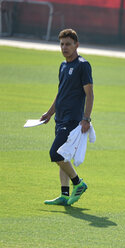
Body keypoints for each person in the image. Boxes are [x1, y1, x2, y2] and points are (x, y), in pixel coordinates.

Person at [40, 28, 94, 206]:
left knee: (55, 153)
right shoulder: (63, 65)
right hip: (60, 118)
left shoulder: (82, 65)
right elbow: (60, 93)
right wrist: (49, 113)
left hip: (72, 119)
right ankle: (64, 194)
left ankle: (78, 183)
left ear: (76, 45)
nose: (64, 47)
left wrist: (86, 119)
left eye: (68, 44)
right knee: (63, 157)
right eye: (62, 44)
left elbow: (90, 94)